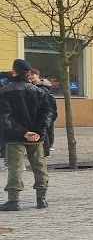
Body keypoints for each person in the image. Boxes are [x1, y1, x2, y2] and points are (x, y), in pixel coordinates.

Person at [0, 59, 53, 211]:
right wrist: (38, 131)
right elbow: (47, 113)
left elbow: (4, 117)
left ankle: (13, 200)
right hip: (36, 136)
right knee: (39, 166)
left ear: (13, 71)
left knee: (15, 167)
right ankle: (41, 198)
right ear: (29, 73)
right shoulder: (40, 91)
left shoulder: (4, 91)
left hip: (14, 136)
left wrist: (23, 132)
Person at [26, 69, 57, 157]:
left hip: (45, 113)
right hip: (39, 113)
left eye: (33, 75)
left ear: (38, 75)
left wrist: (50, 114)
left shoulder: (42, 88)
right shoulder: (32, 87)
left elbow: (48, 103)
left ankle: (46, 150)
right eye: (29, 75)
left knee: (45, 131)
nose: (30, 77)